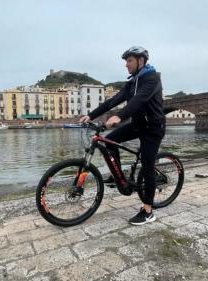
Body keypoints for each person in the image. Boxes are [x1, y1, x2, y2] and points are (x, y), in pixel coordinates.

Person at [79, 46, 166, 225]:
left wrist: (119, 116)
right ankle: (118, 175)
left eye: (129, 60)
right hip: (138, 125)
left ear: (141, 61)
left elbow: (138, 100)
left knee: (147, 167)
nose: (126, 65)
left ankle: (148, 211)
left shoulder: (152, 79)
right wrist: (92, 115)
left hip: (153, 128)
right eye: (126, 61)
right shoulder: (132, 82)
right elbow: (112, 101)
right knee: (109, 140)